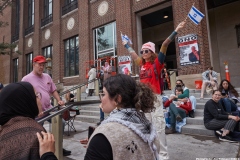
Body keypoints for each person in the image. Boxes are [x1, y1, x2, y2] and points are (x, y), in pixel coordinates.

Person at [37, 74, 161, 160]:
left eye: (104, 94)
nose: (101, 98)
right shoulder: (146, 125)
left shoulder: (105, 135)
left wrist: (48, 155)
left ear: (117, 99)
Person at [123, 20, 186, 159]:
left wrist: (176, 30)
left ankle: (163, 156)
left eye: (146, 51)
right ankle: (151, 153)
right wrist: (126, 45)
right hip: (142, 99)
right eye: (142, 51)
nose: (143, 53)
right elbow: (133, 55)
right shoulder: (141, 65)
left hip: (155, 98)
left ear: (151, 52)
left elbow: (164, 45)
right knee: (146, 127)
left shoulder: (157, 64)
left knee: (159, 127)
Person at [21, 55, 71, 156]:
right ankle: (38, 152)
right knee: (37, 133)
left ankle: (58, 147)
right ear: (33, 64)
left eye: (43, 65)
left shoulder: (47, 77)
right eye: (39, 65)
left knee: (61, 123)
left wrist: (59, 100)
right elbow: (22, 96)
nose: (41, 67)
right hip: (36, 113)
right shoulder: (26, 79)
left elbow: (53, 90)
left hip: (49, 109)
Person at [0, 82, 49, 159]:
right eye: (36, 96)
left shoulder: (3, 131)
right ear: (25, 100)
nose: (40, 99)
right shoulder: (37, 134)